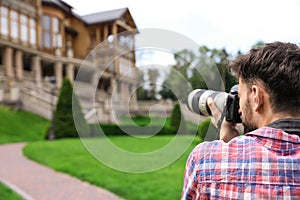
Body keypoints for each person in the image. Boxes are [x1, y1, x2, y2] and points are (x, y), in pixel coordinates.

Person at [181, 42, 300, 199]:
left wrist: (226, 149)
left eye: (240, 97)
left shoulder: (205, 161)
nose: (239, 110)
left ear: (256, 96)